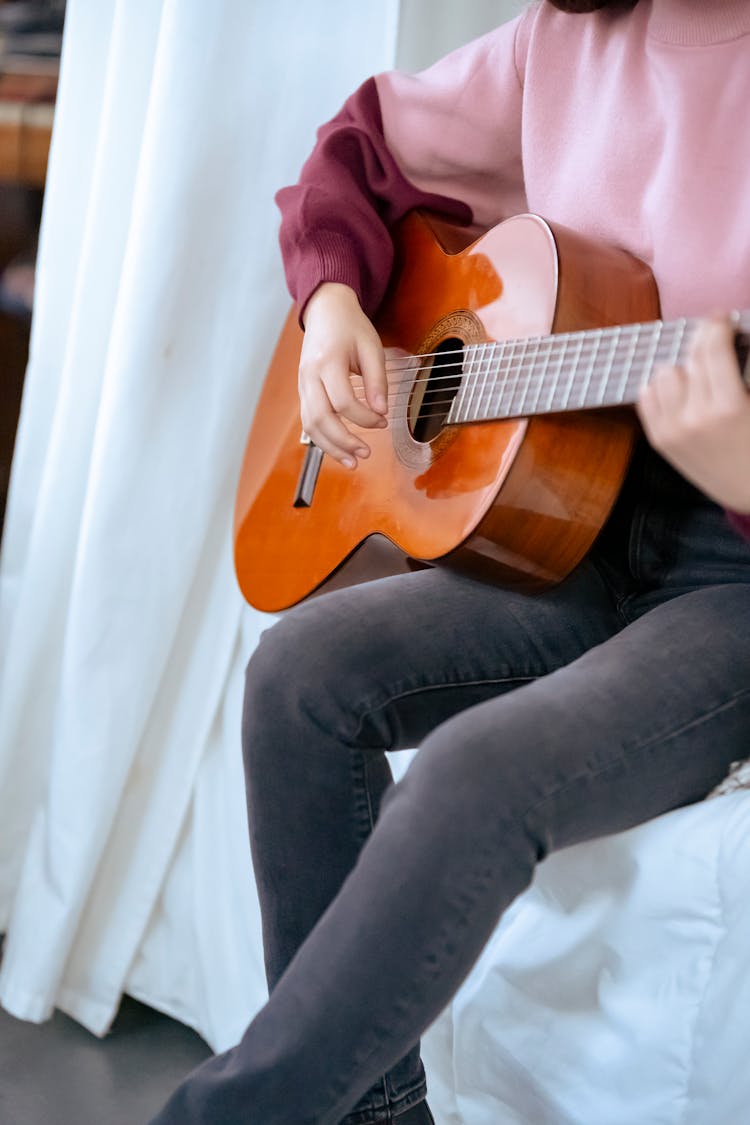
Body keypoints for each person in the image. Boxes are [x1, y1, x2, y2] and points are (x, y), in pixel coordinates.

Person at [151, 1, 750, 1122]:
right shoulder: (559, 42)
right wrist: (332, 301)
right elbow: (366, 150)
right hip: (579, 528)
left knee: (476, 774)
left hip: (733, 580)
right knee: (298, 680)